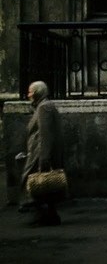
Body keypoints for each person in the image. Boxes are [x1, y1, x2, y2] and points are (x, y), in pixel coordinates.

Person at [20, 81, 65, 226]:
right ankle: (51, 215)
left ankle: (42, 215)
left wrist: (44, 157)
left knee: (36, 184)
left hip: (39, 154)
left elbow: (45, 135)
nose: (28, 95)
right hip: (39, 152)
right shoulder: (44, 106)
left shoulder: (44, 108)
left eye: (31, 92)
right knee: (45, 186)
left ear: (38, 93)